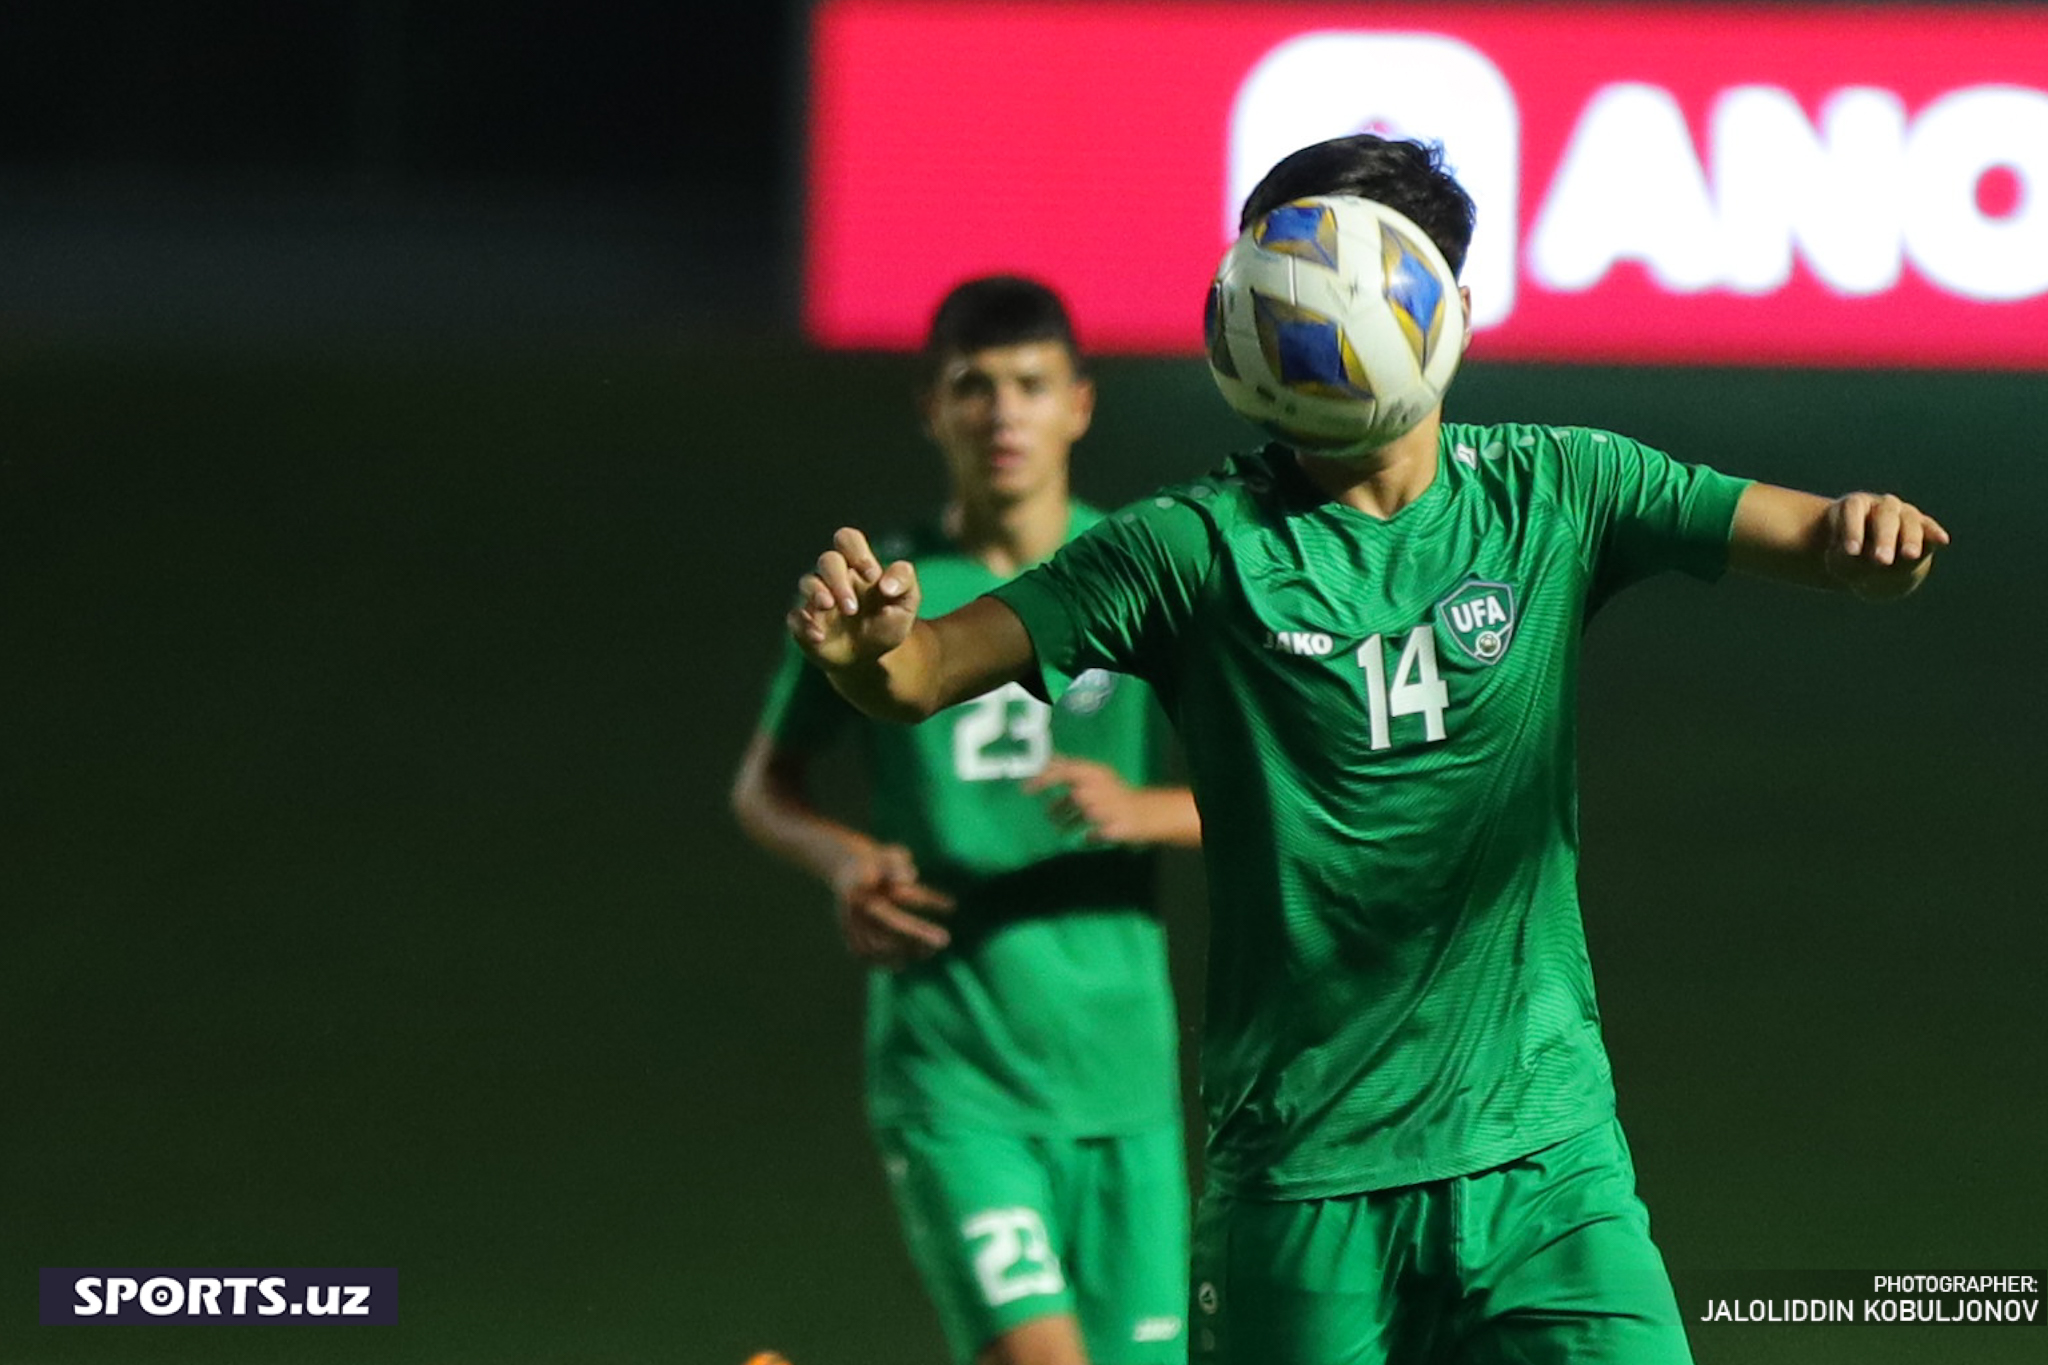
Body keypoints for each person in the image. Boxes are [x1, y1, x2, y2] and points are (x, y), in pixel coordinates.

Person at [781, 137, 1952, 1365]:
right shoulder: (1186, 550)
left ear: (1436, 303)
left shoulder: (1557, 490)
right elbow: (922, 675)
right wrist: (868, 649)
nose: (1304, 313)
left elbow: (1811, 532)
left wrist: (1865, 537)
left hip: (1545, 1164)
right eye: (1278, 284)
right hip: (1303, 1184)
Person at [733, 276, 1200, 1365]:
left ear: (1079, 405)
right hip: (956, 1068)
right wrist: (845, 860)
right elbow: (764, 785)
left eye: (1030, 387)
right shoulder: (890, 594)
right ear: (929, 409)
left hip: (1121, 1071)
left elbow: (1293, 787)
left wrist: (1152, 811)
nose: (1002, 415)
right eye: (973, 388)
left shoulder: (1136, 574)